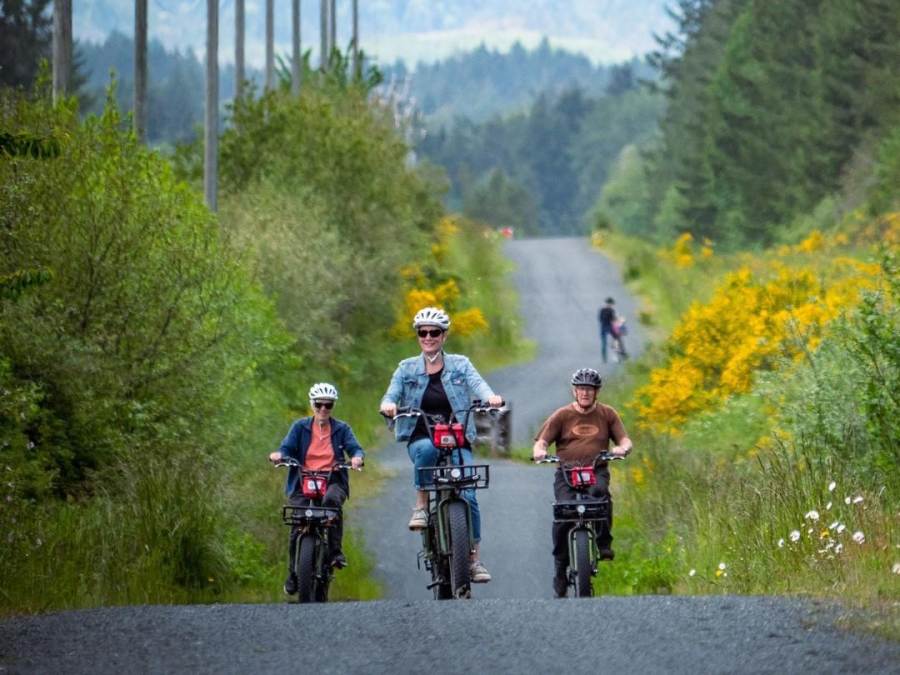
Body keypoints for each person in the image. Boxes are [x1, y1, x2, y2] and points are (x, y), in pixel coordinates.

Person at [379, 306, 503, 584]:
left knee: (469, 493)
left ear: (444, 336)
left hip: (456, 440)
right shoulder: (406, 368)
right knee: (427, 450)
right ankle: (421, 505)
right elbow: (392, 393)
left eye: (434, 332)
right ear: (417, 336)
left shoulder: (460, 364)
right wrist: (388, 404)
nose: (428, 337)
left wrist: (491, 398)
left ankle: (474, 560)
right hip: (421, 435)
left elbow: (479, 385)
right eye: (423, 332)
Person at [532, 367, 632, 598]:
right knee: (563, 512)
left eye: (589, 389)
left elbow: (625, 439)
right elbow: (542, 441)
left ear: (597, 392)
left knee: (601, 495)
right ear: (574, 391)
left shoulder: (608, 414)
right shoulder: (562, 415)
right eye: (581, 389)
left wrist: (622, 448)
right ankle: (560, 568)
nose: (585, 393)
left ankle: (604, 542)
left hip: (596, 470)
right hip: (566, 473)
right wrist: (539, 451)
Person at [269, 382, 365, 595]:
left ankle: (335, 553)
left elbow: (355, 448)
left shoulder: (342, 429)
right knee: (297, 523)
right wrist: (279, 456)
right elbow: (286, 448)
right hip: (302, 480)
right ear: (312, 404)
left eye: (328, 405)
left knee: (332, 503)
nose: (323, 409)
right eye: (319, 404)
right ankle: (293, 574)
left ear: (333, 406)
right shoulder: (299, 427)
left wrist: (357, 457)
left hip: (332, 479)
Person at [598, 297, 617, 363]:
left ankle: (607, 357)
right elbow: (613, 320)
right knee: (605, 342)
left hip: (605, 327)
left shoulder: (603, 310)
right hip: (607, 327)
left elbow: (600, 319)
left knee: (607, 342)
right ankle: (606, 357)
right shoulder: (609, 310)